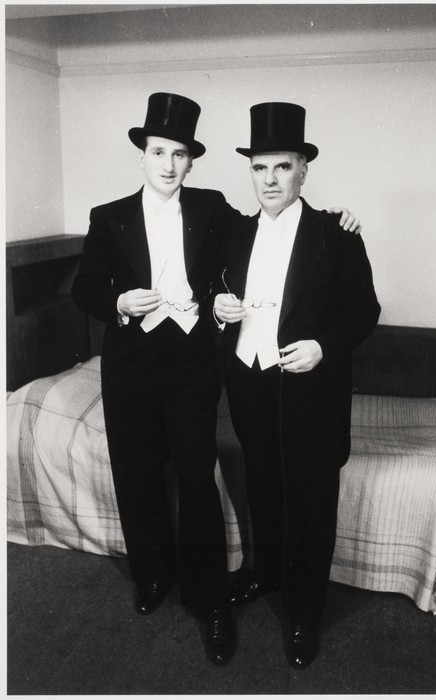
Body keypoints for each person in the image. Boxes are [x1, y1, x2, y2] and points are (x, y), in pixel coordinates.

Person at [71, 92, 361, 667]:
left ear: (191, 161)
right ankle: (152, 575)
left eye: (179, 154)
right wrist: (118, 303)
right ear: (142, 155)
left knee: (197, 479)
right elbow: (84, 288)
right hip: (130, 368)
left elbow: (277, 233)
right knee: (135, 474)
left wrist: (340, 217)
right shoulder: (108, 216)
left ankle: (211, 604)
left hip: (190, 366)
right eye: (159, 152)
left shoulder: (213, 209)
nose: (168, 164)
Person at [214, 101, 381, 670]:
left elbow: (365, 309)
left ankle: (306, 612)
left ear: (303, 171)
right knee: (262, 483)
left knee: (310, 499)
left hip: (309, 390)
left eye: (282, 167)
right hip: (249, 381)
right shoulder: (234, 233)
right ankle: (265, 573)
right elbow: (215, 293)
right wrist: (219, 311)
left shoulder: (336, 232)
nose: (269, 179)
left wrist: (323, 347)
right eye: (259, 168)